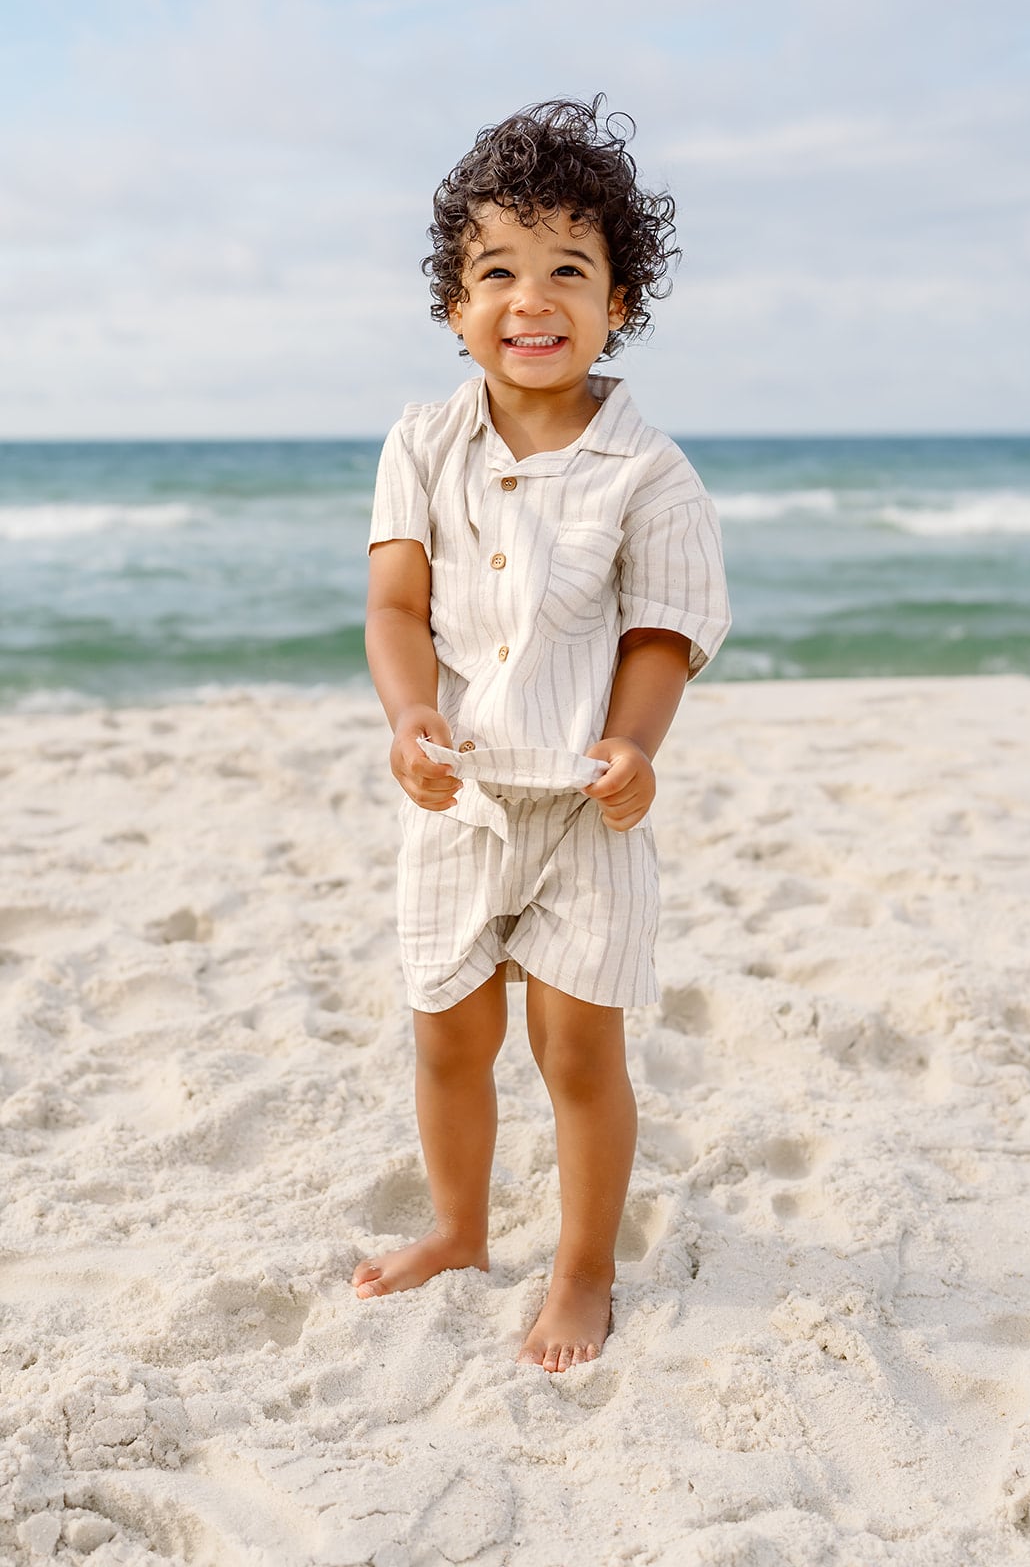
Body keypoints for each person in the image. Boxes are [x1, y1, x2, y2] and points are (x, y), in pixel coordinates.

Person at [352, 96, 730, 1373]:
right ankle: (459, 1227)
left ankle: (579, 1268)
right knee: (449, 1030)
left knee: (577, 1043)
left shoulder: (647, 472)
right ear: (456, 307)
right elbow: (396, 602)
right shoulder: (420, 442)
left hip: (579, 801)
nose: (531, 297)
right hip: (456, 796)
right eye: (495, 271)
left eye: (568, 268)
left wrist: (635, 748)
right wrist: (411, 715)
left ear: (617, 300)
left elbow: (659, 633)